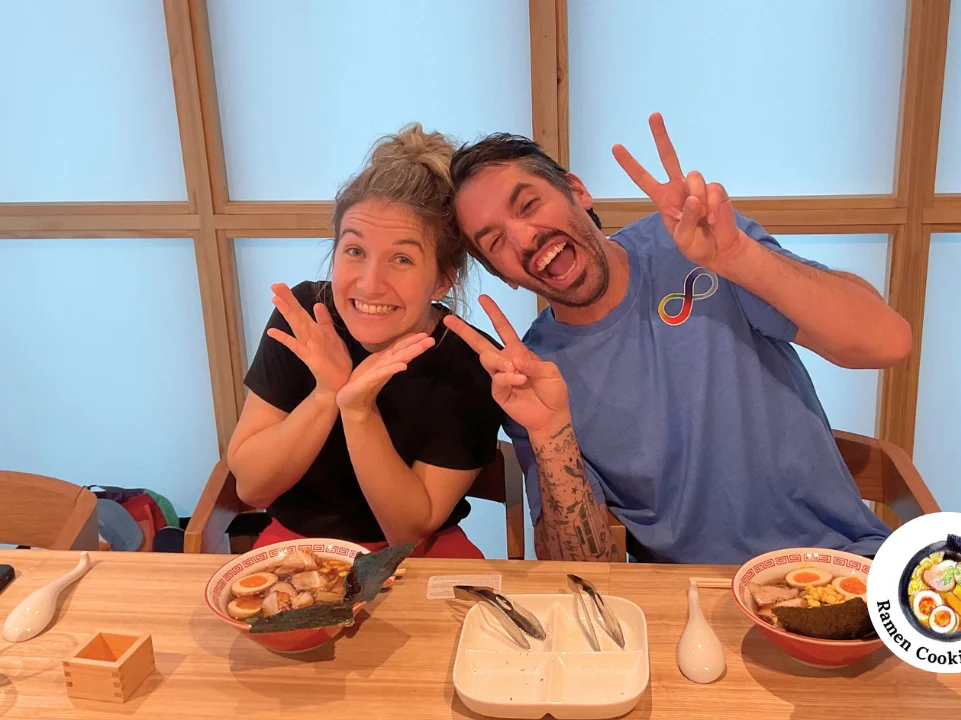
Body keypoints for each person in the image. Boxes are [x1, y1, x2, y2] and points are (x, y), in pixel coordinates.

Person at [444, 113, 912, 564]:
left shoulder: (693, 245)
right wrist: (550, 434)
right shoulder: (535, 373)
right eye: (496, 242)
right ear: (502, 276)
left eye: (528, 205)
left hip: (839, 562)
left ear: (576, 191)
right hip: (690, 605)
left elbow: (888, 343)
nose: (524, 237)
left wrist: (737, 257)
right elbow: (583, 569)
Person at [226, 124, 503, 558]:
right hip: (301, 544)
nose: (370, 284)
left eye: (402, 259)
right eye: (354, 251)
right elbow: (253, 487)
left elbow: (407, 532)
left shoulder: (470, 360)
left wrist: (357, 410)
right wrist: (325, 394)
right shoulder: (306, 317)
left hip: (423, 550)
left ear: (442, 280)